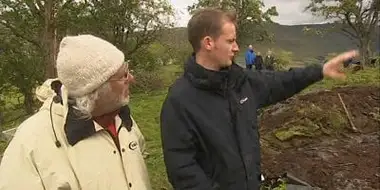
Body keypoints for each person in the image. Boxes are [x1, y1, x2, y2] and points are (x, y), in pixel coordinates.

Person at [159, 8, 358, 190]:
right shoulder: (179, 101)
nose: (237, 48)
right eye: (230, 41)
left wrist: (320, 70)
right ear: (209, 43)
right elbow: (182, 169)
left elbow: (282, 81)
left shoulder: (241, 82)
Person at [0, 35, 152, 190]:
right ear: (95, 92)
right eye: (123, 76)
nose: (132, 79)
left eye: (128, 70)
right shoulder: (30, 142)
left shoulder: (120, 116)